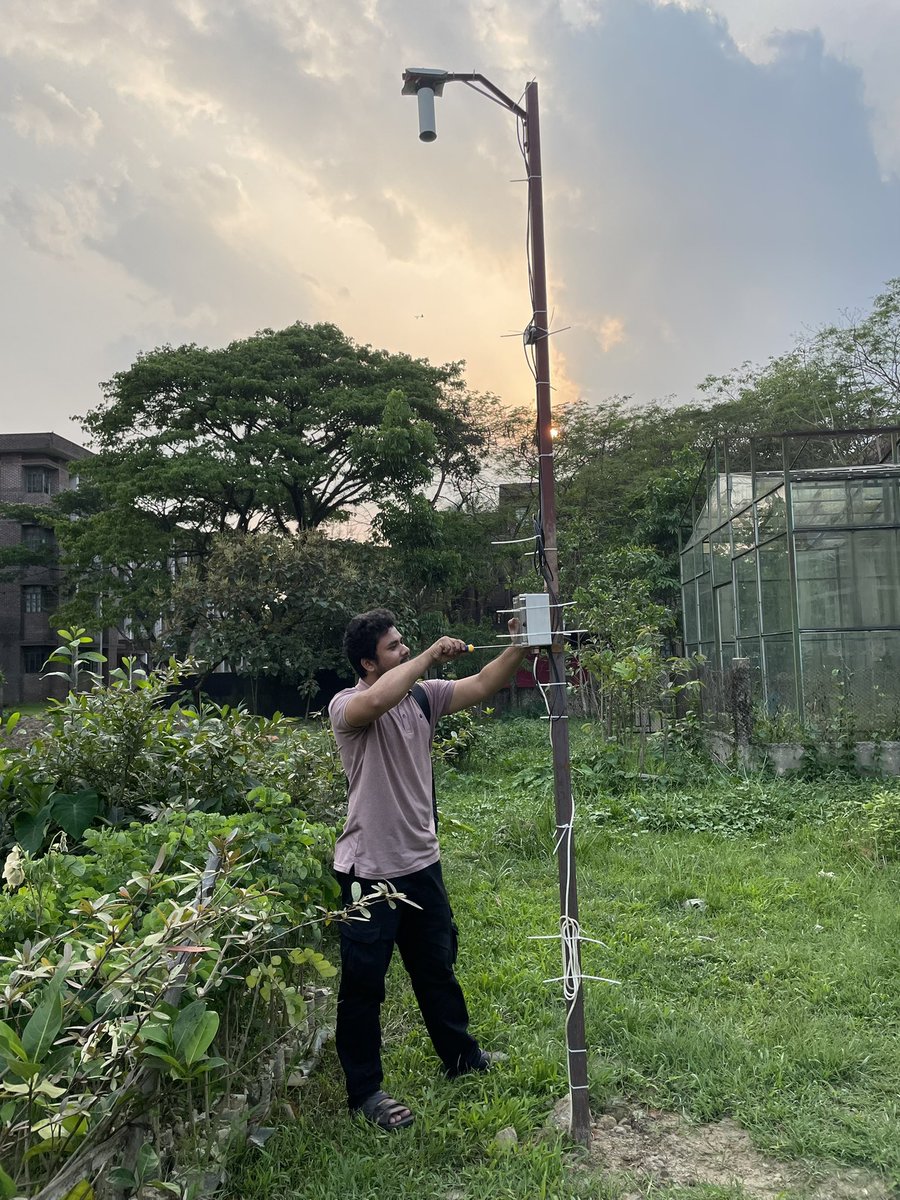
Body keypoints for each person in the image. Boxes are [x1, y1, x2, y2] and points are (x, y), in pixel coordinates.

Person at [328, 608, 527, 1130]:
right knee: (364, 986)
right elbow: (377, 698)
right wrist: (426, 657)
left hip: (421, 864)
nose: (402, 650)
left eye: (403, 643)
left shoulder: (422, 696)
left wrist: (520, 647)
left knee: (435, 967)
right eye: (392, 647)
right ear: (368, 662)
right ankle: (365, 1092)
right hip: (368, 872)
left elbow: (483, 684)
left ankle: (462, 1058)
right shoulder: (348, 706)